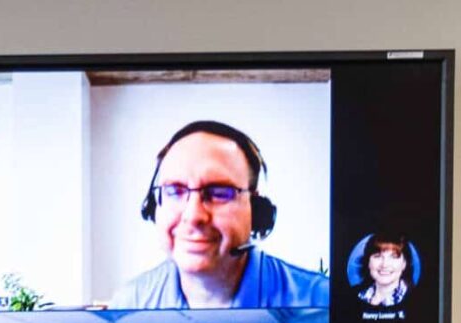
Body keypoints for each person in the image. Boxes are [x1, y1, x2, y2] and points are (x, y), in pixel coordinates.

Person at [108, 120, 329, 310]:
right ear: (153, 207)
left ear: (256, 209)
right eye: (175, 190)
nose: (193, 216)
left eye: (219, 193)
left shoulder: (322, 301)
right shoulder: (128, 304)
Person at [349, 233, 416, 309]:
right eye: (378, 256)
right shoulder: (354, 293)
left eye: (393, 257)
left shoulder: (415, 297)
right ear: (368, 262)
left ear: (404, 264)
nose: (385, 264)